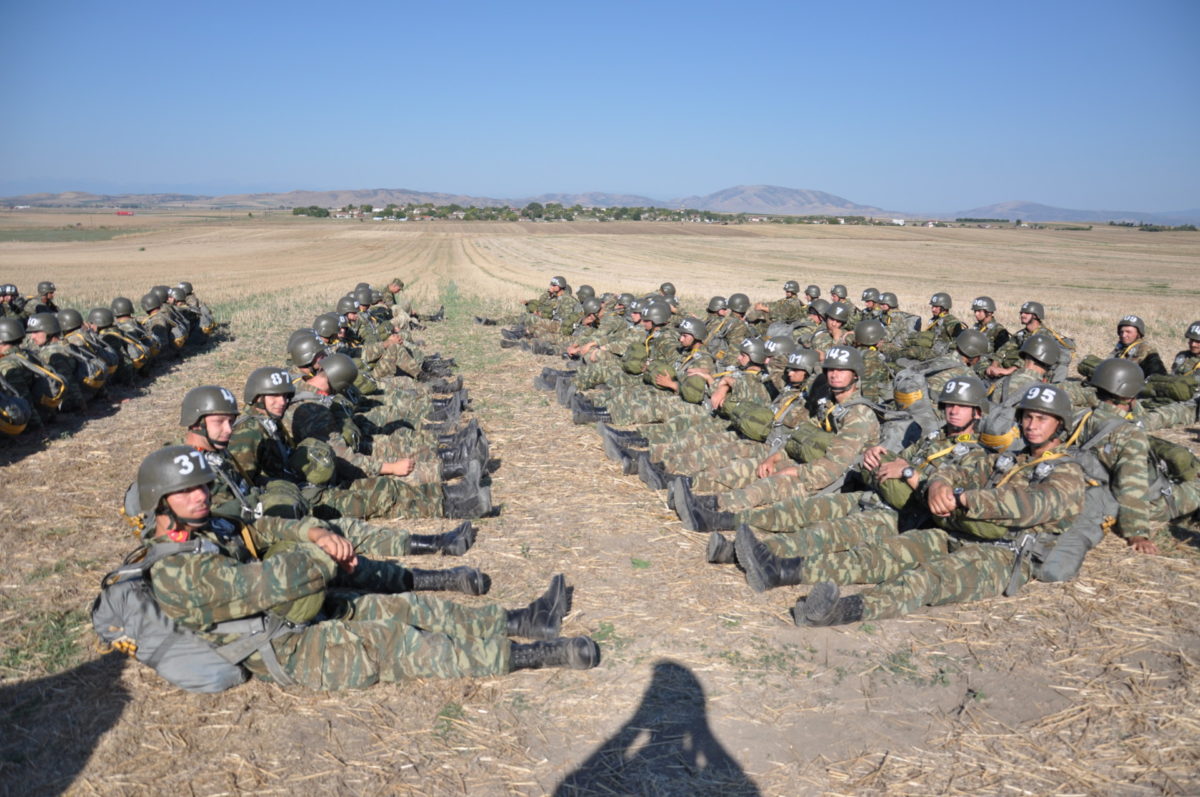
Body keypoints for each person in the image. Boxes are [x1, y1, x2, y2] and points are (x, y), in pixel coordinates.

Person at [118, 445, 599, 690]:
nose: (201, 496)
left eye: (204, 486)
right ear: (160, 502)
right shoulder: (175, 572)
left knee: (407, 609)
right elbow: (268, 581)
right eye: (187, 491)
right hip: (279, 648)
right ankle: (537, 656)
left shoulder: (210, 528)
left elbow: (264, 529)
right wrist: (324, 553)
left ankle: (522, 621)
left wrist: (315, 533)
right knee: (399, 645)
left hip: (290, 616)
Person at [735, 384, 1087, 626]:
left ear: (1060, 425)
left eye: (1041, 419)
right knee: (880, 555)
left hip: (1005, 555)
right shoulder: (1011, 459)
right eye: (1028, 417)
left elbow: (1030, 506)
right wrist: (940, 483)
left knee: (924, 581)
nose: (1031, 425)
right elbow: (959, 471)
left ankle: (838, 611)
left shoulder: (1067, 473)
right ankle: (779, 570)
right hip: (961, 531)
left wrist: (963, 498)